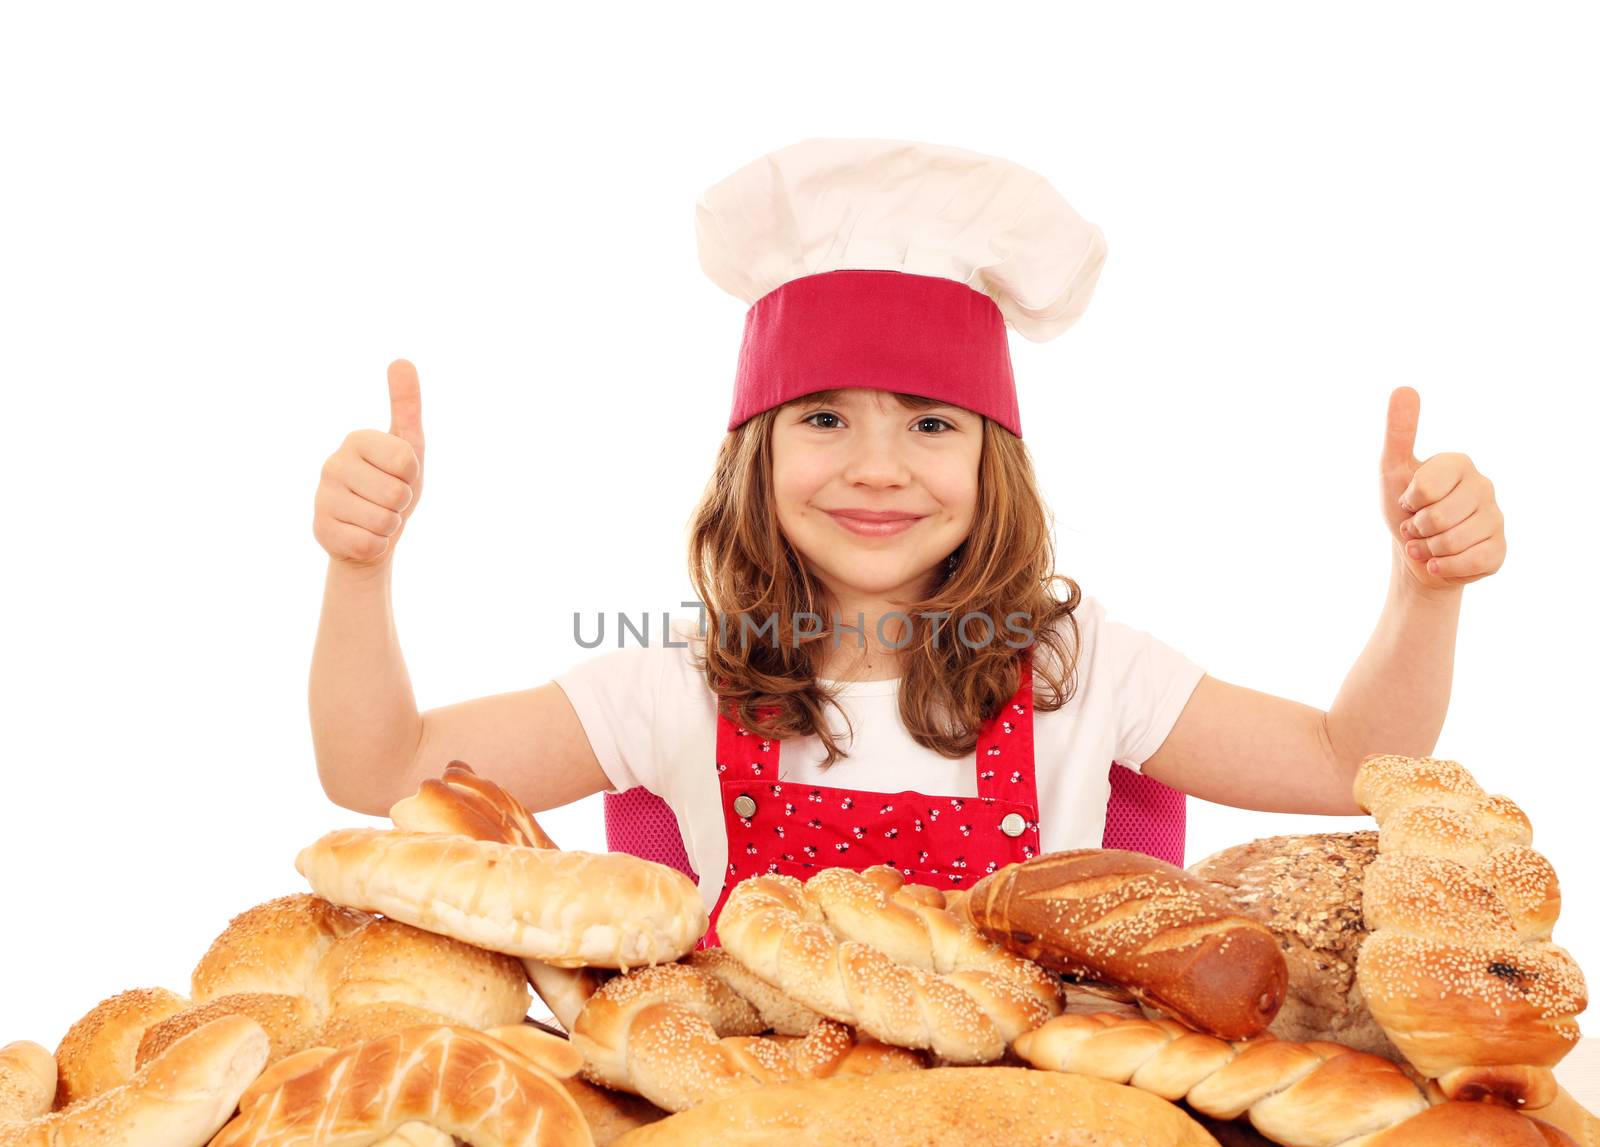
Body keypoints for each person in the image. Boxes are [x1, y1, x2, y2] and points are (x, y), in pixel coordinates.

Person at [308, 138, 1506, 945]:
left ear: (992, 461)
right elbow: (380, 766)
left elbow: (1362, 759)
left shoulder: (1075, 668)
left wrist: (1424, 587)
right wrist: (361, 567)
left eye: (929, 422)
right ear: (753, 458)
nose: (877, 465)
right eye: (823, 417)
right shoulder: (670, 681)